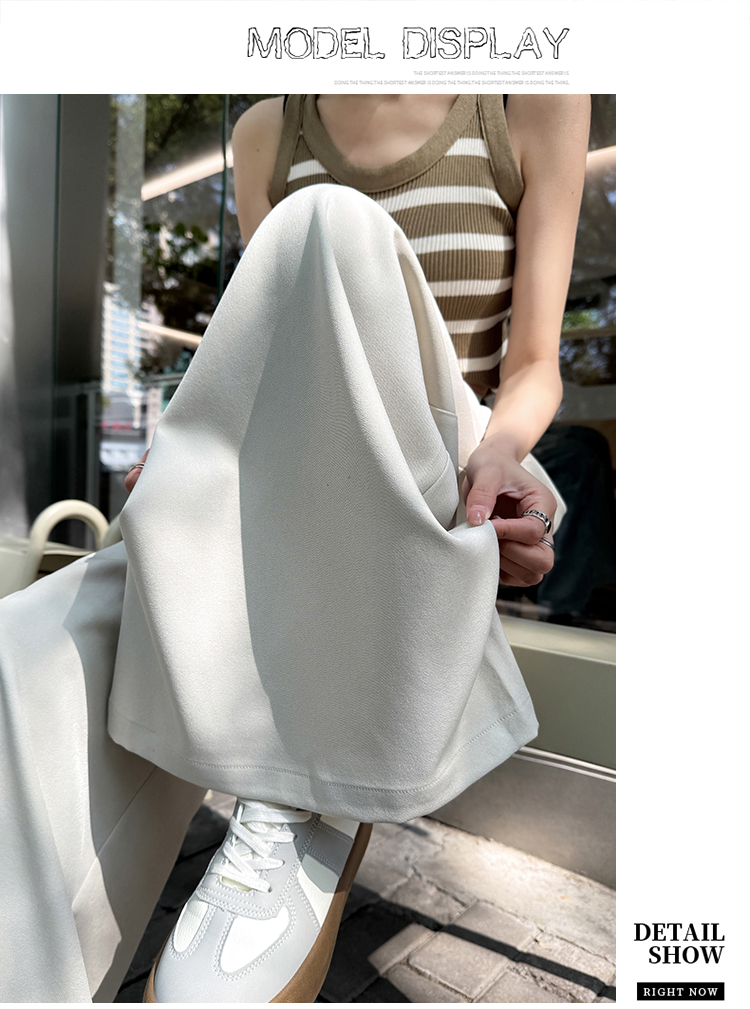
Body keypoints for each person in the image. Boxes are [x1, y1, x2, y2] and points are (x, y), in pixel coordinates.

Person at [127, 94, 589, 1003]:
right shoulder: (265, 131)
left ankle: (300, 777)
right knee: (29, 661)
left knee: (331, 221)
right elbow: (275, 350)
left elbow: (535, 361)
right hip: (300, 494)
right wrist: (187, 456)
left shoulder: (526, 99)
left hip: (447, 470)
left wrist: (500, 456)